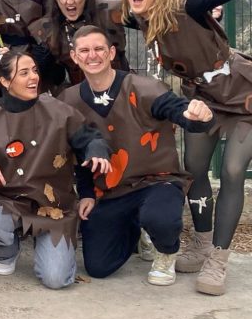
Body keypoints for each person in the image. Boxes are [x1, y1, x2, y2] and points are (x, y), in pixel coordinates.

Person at [120, 0, 252, 295]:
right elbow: (95, 6)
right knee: (193, 168)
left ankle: (218, 259)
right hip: (202, 98)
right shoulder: (138, 16)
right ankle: (202, 244)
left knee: (233, 171)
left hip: (242, 93)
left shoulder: (187, 6)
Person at [59, 26, 215, 286]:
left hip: (156, 181)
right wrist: (86, 193)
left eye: (98, 49)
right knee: (98, 266)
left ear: (111, 53)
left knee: (160, 218)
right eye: (84, 50)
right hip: (110, 190)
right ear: (74, 57)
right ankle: (137, 227)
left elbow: (177, 110)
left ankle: (166, 251)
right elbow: (79, 152)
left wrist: (197, 117)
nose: (92, 56)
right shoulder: (69, 100)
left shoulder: (144, 87)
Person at [0, 49, 111, 289]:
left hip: (54, 206)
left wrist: (96, 151)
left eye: (34, 71)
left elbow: (90, 137)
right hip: (9, 200)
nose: (34, 77)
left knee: (56, 280)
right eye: (24, 73)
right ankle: (6, 253)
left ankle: (49, 244)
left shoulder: (59, 109)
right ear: (5, 82)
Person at [30, 0, 129, 93]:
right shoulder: (47, 29)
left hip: (122, 89)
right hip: (81, 95)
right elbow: (46, 75)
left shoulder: (111, 11)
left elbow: (147, 16)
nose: (69, 1)